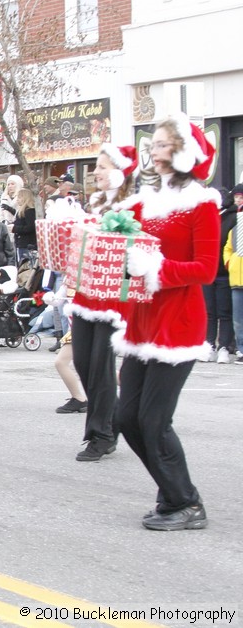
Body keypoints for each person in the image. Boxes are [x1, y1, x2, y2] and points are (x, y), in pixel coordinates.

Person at [113, 113, 220, 530]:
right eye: (152, 144)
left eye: (160, 144)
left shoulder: (202, 202)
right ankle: (171, 491)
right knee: (125, 417)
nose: (152, 151)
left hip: (178, 323)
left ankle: (185, 501)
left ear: (181, 152)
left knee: (154, 420)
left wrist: (156, 267)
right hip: (142, 321)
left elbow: (206, 268)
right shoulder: (145, 201)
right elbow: (115, 238)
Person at [64, 144, 137, 462]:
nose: (95, 171)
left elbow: (134, 249)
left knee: (100, 366)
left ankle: (102, 433)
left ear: (120, 173)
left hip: (112, 296)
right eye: (96, 166)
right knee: (81, 360)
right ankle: (112, 416)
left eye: (102, 166)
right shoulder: (93, 205)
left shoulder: (133, 206)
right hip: (85, 293)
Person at [199, 188, 237, 363]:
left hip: (223, 273)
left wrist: (227, 265)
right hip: (207, 272)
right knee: (209, 312)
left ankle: (223, 346)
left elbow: (228, 244)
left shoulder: (232, 217)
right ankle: (209, 345)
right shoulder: (206, 216)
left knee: (224, 312)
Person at [224, 183, 243, 364]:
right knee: (238, 319)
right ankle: (241, 349)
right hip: (236, 278)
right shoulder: (235, 230)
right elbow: (227, 249)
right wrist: (229, 262)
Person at [11, 187, 37, 264]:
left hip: (27, 244)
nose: (17, 200)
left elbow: (30, 227)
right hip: (21, 243)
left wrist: (15, 228)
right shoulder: (21, 211)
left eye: (19, 197)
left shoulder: (29, 211)